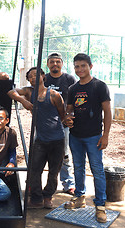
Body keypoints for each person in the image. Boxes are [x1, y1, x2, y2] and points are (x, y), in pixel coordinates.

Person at [64, 53, 111, 223]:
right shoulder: (73, 89)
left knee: (97, 170)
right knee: (78, 167)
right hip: (75, 136)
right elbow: (69, 110)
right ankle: (79, 198)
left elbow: (107, 111)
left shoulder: (100, 86)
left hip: (94, 137)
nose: (80, 69)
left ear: (90, 66)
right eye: (77, 66)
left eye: (83, 65)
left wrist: (105, 135)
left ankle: (100, 206)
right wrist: (68, 118)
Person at [26, 67, 66, 209]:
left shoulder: (53, 95)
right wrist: (22, 100)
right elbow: (11, 92)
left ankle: (48, 196)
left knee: (54, 170)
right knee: (34, 170)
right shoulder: (29, 93)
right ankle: (36, 199)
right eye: (30, 76)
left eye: (36, 75)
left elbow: (62, 114)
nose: (33, 78)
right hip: (40, 140)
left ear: (43, 76)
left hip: (57, 140)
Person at [45, 52, 77, 195]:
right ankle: (34, 185)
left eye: (58, 61)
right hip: (44, 125)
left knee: (64, 155)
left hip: (62, 125)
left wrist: (69, 116)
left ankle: (68, 184)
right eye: (52, 62)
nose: (55, 64)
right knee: (39, 155)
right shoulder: (43, 79)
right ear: (48, 64)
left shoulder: (69, 79)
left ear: (62, 63)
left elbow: (76, 99)